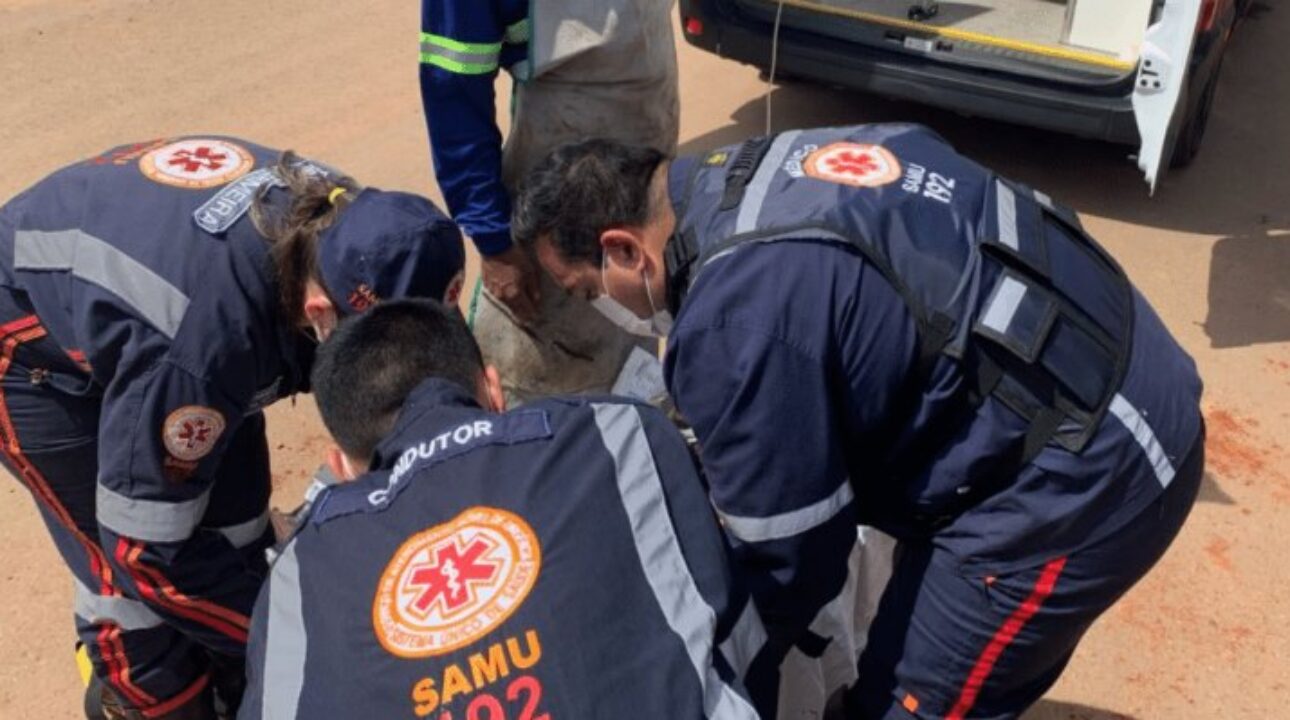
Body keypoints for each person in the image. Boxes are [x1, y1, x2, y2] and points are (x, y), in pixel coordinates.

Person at [513, 125, 1206, 719]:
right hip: (1118, 361)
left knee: (915, 699)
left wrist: (703, 673)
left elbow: (792, 565)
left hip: (1092, 473)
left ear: (626, 250)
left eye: (587, 289)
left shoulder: (733, 319)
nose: (600, 304)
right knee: (930, 638)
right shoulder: (769, 161)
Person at [0, 136, 465, 720]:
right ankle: (145, 701)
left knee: (239, 531)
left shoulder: (369, 240)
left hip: (164, 301)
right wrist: (305, 649)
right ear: (320, 315)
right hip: (29, 338)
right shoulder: (209, 345)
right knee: (131, 566)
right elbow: (144, 551)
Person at [239, 299, 759, 719]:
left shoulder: (297, 576)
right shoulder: (618, 434)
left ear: (342, 467)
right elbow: (728, 613)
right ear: (492, 388)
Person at [419, 0, 678, 402]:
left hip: (647, 185)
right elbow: (453, 91)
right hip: (555, 210)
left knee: (636, 357)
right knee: (542, 401)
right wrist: (495, 242)